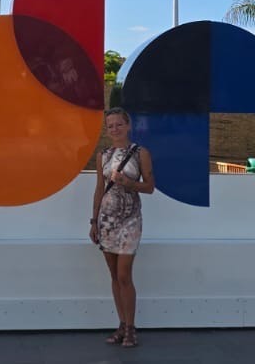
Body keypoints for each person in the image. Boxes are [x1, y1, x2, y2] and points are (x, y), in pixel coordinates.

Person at [90, 107, 153, 348]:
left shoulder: (140, 153)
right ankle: (121, 324)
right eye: (110, 126)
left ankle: (131, 328)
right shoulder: (103, 155)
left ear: (128, 126)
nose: (115, 129)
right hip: (106, 220)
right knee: (114, 276)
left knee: (125, 274)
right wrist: (94, 221)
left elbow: (150, 187)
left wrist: (128, 182)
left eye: (119, 124)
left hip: (130, 219)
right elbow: (99, 188)